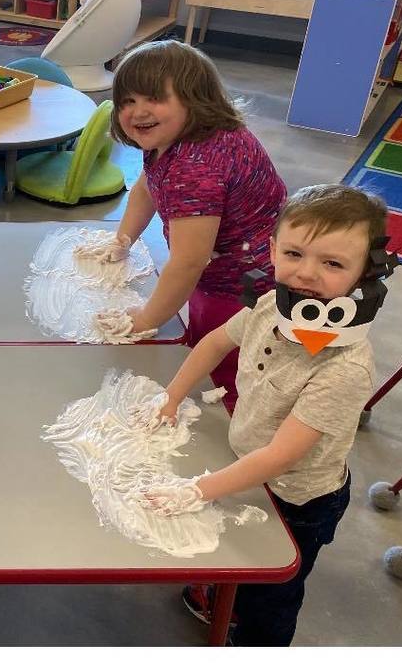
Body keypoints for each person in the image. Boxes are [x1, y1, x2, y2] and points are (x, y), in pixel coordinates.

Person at [145, 185, 395, 646]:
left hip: (298, 498)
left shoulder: (344, 369)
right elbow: (214, 343)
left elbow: (281, 456)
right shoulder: (268, 307)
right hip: (247, 460)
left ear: (367, 272)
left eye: (333, 263)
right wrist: (172, 396)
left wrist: (196, 489)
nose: (306, 273)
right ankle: (221, 595)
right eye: (294, 253)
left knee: (270, 595)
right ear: (273, 248)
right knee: (233, 549)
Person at [106, 40, 287, 409]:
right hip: (235, 264)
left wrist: (145, 319)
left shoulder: (195, 168)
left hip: (244, 288)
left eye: (154, 98)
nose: (138, 111)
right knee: (202, 341)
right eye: (127, 101)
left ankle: (241, 417)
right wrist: (122, 241)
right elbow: (146, 187)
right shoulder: (176, 135)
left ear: (195, 99)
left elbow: (190, 262)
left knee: (225, 368)